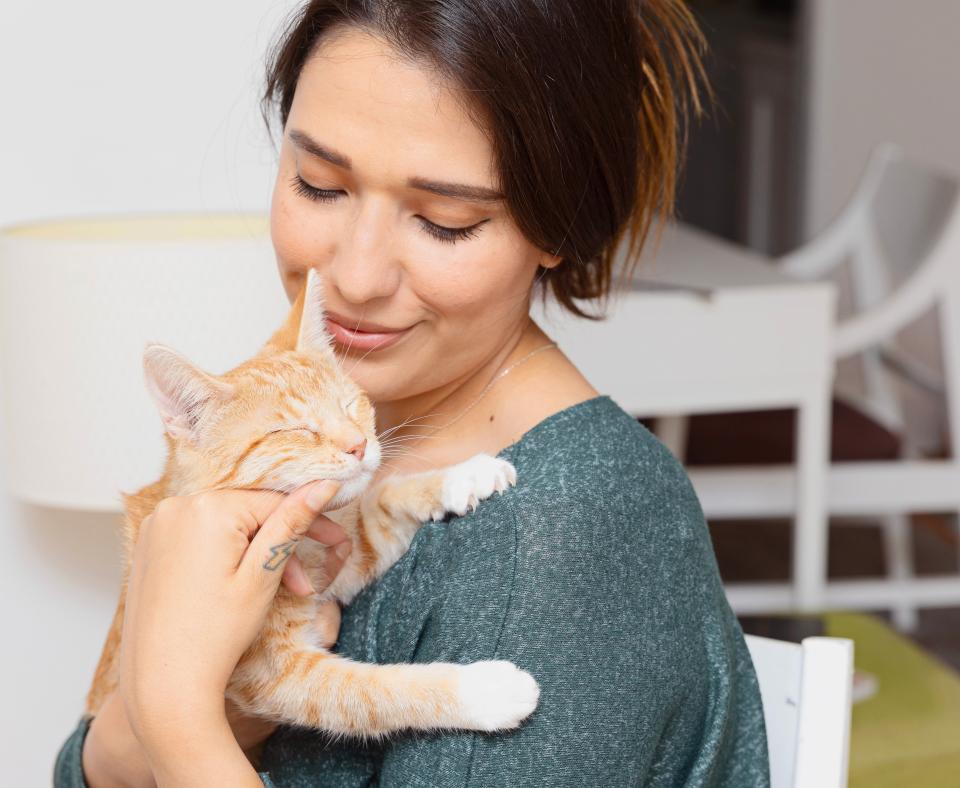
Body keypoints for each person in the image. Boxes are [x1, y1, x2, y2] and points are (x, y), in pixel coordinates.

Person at [55, 0, 770, 785]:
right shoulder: (278, 433)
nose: (354, 279)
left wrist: (177, 714)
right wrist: (199, 707)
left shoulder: (569, 530)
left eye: (446, 220)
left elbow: (143, 728)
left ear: (557, 226)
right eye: (318, 184)